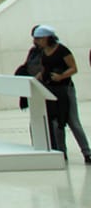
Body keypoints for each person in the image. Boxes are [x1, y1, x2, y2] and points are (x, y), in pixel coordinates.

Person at [33, 24, 80, 160]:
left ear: (47, 38)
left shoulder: (62, 50)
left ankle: (86, 152)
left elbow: (73, 68)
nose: (37, 42)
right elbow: (45, 69)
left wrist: (61, 77)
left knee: (73, 122)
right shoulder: (43, 52)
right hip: (51, 89)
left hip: (65, 89)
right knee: (56, 122)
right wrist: (38, 77)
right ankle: (61, 151)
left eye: (39, 38)